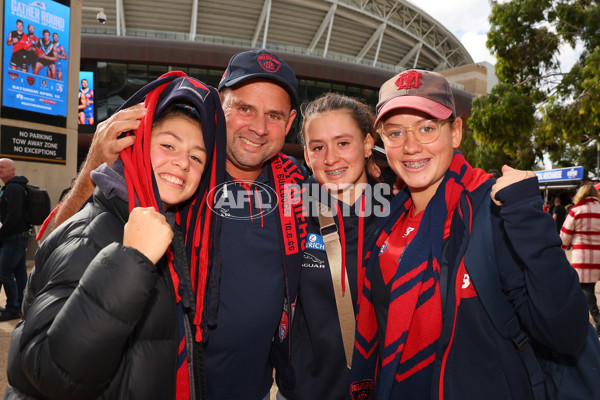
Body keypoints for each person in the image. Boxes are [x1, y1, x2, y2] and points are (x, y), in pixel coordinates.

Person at [51, 49, 306, 400]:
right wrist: (94, 166)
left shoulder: (298, 186)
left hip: (253, 389)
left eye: (274, 115)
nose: (259, 128)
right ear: (219, 105)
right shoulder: (174, 176)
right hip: (164, 386)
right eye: (244, 108)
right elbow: (56, 247)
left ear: (290, 123)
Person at [348, 69, 588, 399]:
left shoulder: (493, 212)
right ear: (382, 142)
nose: (411, 146)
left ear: (456, 132)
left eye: (427, 128)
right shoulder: (387, 221)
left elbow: (565, 334)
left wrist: (531, 223)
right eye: (395, 133)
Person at [5, 71, 226, 399]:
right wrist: (129, 262)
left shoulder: (172, 229)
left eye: (197, 157)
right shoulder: (92, 231)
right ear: (136, 146)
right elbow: (43, 370)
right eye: (168, 145)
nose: (182, 163)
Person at [275, 93, 389, 400]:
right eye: (318, 147)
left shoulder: (399, 215)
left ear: (367, 145)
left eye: (343, 143)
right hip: (303, 392)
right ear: (307, 155)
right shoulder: (290, 214)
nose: (330, 159)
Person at [560, 183, 600, 335]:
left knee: (585, 288)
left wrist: (560, 250)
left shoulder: (576, 211)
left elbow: (564, 236)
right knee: (588, 287)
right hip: (598, 255)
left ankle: (596, 318)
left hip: (582, 257)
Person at [0, 158, 30, 321]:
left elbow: (13, 215)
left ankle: (12, 308)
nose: (0, 170)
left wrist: (1, 234)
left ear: (12, 170)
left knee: (4, 271)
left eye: (3, 167)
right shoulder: (11, 188)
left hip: (14, 237)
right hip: (18, 236)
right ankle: (21, 305)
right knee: (19, 272)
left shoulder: (13, 189)